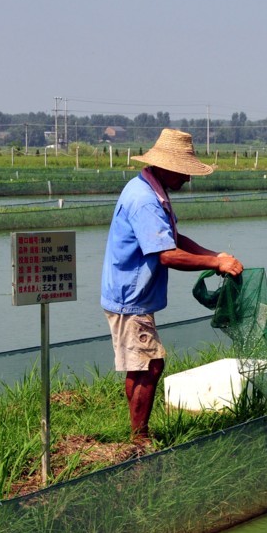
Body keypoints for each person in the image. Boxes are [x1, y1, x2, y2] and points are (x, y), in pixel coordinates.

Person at [100, 128, 244, 450]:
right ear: (166, 166)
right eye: (184, 172)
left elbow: (174, 239)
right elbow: (165, 254)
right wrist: (215, 265)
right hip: (130, 297)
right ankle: (139, 439)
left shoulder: (154, 193)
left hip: (132, 293)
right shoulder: (144, 201)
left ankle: (137, 432)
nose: (188, 179)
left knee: (141, 365)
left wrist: (213, 255)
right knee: (150, 364)